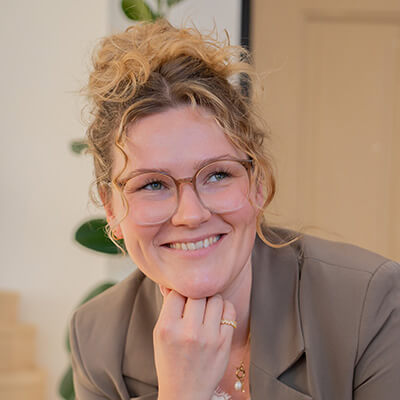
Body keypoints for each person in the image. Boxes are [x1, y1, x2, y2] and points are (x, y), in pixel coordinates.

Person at [70, 19, 400, 400]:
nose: (190, 215)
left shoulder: (370, 304)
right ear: (111, 209)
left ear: (258, 184)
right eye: (153, 184)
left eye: (217, 175)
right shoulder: (97, 340)